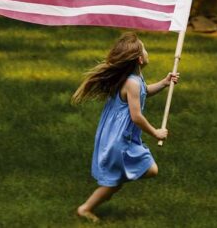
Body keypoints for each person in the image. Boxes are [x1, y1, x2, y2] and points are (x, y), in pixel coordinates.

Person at [71, 32, 179, 222]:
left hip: (120, 136)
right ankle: (85, 208)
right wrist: (156, 132)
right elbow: (136, 116)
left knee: (115, 182)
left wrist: (164, 83)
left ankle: (86, 208)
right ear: (139, 59)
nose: (147, 51)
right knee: (149, 170)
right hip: (120, 139)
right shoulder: (131, 82)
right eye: (144, 49)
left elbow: (144, 92)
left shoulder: (135, 78)